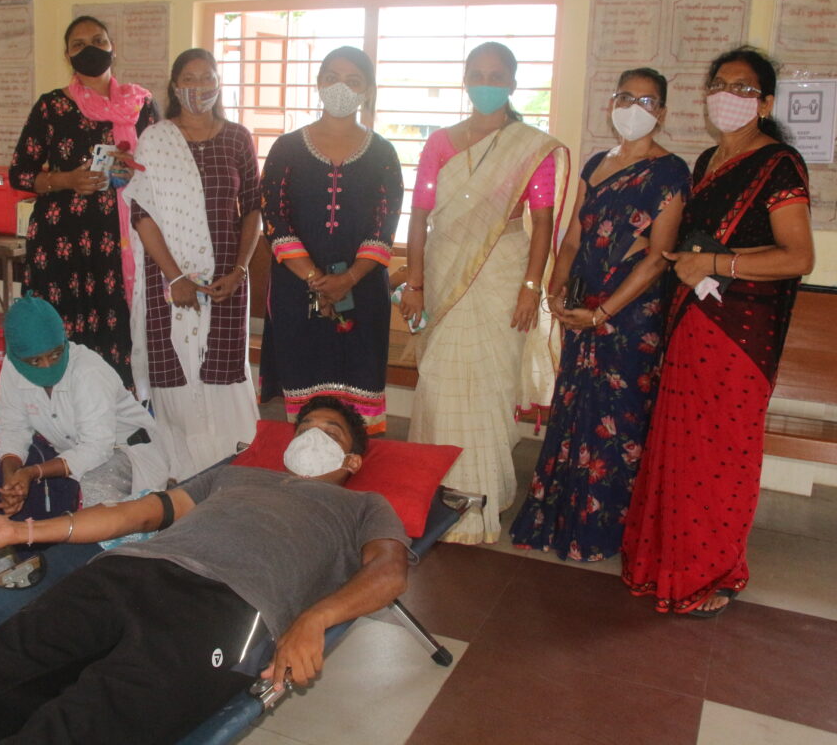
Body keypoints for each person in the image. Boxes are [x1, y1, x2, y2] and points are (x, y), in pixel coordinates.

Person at [0, 396, 411, 744]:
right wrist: (24, 531)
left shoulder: (362, 506)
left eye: (329, 432)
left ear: (354, 459)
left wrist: (315, 619)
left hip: (227, 611)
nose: (311, 436)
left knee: (82, 725)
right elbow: (135, 513)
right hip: (126, 571)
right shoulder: (236, 476)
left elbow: (389, 571)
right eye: (305, 428)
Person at [621, 47, 814, 616]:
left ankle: (713, 572)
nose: (728, 96)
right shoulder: (708, 161)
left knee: (720, 455)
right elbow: (698, 238)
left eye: (744, 88)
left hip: (739, 334)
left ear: (766, 103)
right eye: (720, 85)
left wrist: (714, 264)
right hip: (690, 324)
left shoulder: (780, 164)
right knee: (681, 450)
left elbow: (798, 256)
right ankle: (667, 561)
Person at [509, 68, 690, 561]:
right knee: (574, 408)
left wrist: (603, 312)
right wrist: (556, 289)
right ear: (612, 104)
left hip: (630, 316)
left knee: (618, 418)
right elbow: (572, 237)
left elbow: (658, 257)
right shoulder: (596, 163)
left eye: (647, 101)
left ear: (662, 113)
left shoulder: (671, 172)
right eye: (625, 97)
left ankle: (603, 531)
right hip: (582, 308)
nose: (634, 108)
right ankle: (558, 518)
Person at [399, 42, 570, 544]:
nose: (486, 83)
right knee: (439, 381)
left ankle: (481, 498)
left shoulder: (530, 146)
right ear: (465, 80)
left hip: (503, 275)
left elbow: (542, 223)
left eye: (496, 75)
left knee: (490, 386)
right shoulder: (440, 143)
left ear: (513, 83)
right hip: (444, 270)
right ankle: (438, 494)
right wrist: (415, 282)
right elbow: (419, 216)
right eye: (477, 74)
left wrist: (531, 288)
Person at [124, 47, 261, 477]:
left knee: (224, 370)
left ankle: (235, 471)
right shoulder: (155, 139)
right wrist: (176, 277)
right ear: (174, 85)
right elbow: (142, 214)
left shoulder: (238, 137)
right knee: (176, 374)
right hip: (169, 282)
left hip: (227, 280)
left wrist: (239, 271)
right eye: (189, 78)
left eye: (208, 78)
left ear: (219, 83)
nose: (199, 87)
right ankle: (183, 475)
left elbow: (253, 209)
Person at [259, 46, 403, 434]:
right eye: (332, 78)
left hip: (363, 291)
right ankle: (306, 462)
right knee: (304, 386)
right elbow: (274, 219)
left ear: (368, 90)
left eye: (353, 80)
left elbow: (385, 226)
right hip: (296, 289)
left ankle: (354, 462)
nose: (341, 87)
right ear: (318, 84)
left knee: (359, 387)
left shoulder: (384, 153)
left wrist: (348, 280)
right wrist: (316, 280)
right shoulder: (286, 149)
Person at [9, 15, 159, 387]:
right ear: (67, 56)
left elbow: (162, 168)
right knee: (63, 332)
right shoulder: (51, 107)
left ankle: (120, 406)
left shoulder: (141, 106)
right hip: (64, 243)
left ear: (112, 47)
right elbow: (19, 174)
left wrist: (134, 170)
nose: (90, 49)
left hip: (124, 240)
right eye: (78, 44)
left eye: (98, 40)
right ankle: (61, 406)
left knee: (120, 329)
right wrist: (67, 180)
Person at [0, 295, 170, 520]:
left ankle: (82, 544)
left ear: (64, 340)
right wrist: (11, 478)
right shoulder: (13, 367)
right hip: (69, 448)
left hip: (127, 451)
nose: (48, 366)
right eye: (35, 361)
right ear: (17, 356)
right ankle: (17, 539)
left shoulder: (88, 373)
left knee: (94, 491)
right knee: (0, 470)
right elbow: (13, 428)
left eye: (55, 354)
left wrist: (32, 472)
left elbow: (97, 448)